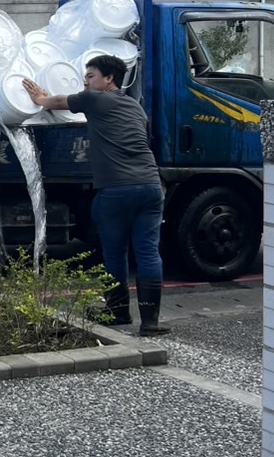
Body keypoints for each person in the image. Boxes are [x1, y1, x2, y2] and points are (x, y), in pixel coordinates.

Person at [21, 55, 169, 337]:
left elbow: (57, 102)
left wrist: (40, 98)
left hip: (116, 190)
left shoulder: (94, 100)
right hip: (150, 186)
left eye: (90, 76)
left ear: (108, 79)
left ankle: (118, 312)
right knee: (149, 252)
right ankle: (150, 322)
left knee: (115, 253)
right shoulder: (135, 107)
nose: (86, 81)